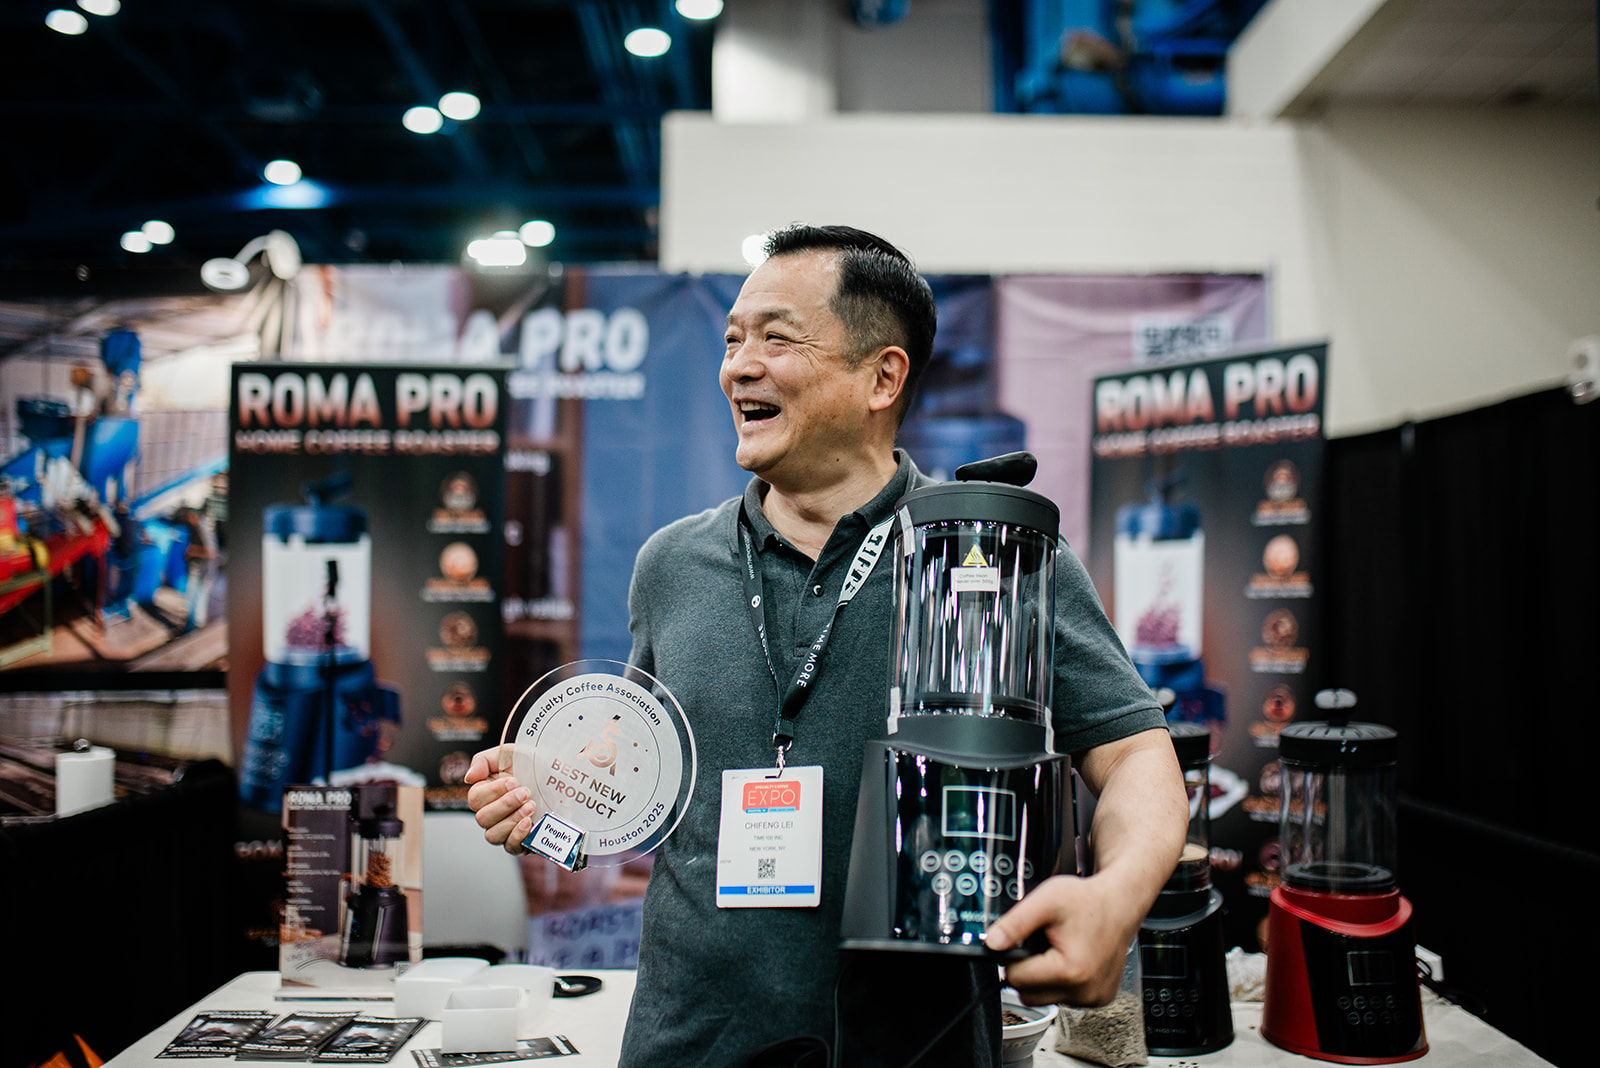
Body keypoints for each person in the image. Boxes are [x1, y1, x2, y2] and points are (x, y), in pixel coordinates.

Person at [467, 225, 1188, 1066]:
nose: (739, 365)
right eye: (732, 340)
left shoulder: (992, 555)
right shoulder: (672, 564)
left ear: (882, 375)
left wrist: (1117, 898)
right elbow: (635, 784)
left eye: (777, 338)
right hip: (690, 1043)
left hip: (922, 1046)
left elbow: (1137, 751)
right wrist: (545, 810)